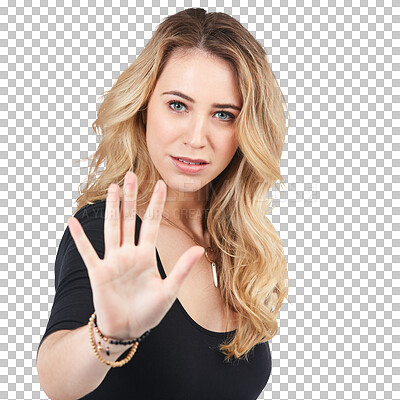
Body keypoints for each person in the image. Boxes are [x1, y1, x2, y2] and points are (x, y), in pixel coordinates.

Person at [36, 7, 290, 400]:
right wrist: (109, 335)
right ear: (143, 107)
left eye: (223, 115)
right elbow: (57, 380)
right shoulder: (109, 227)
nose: (196, 137)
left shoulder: (234, 244)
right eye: (178, 105)